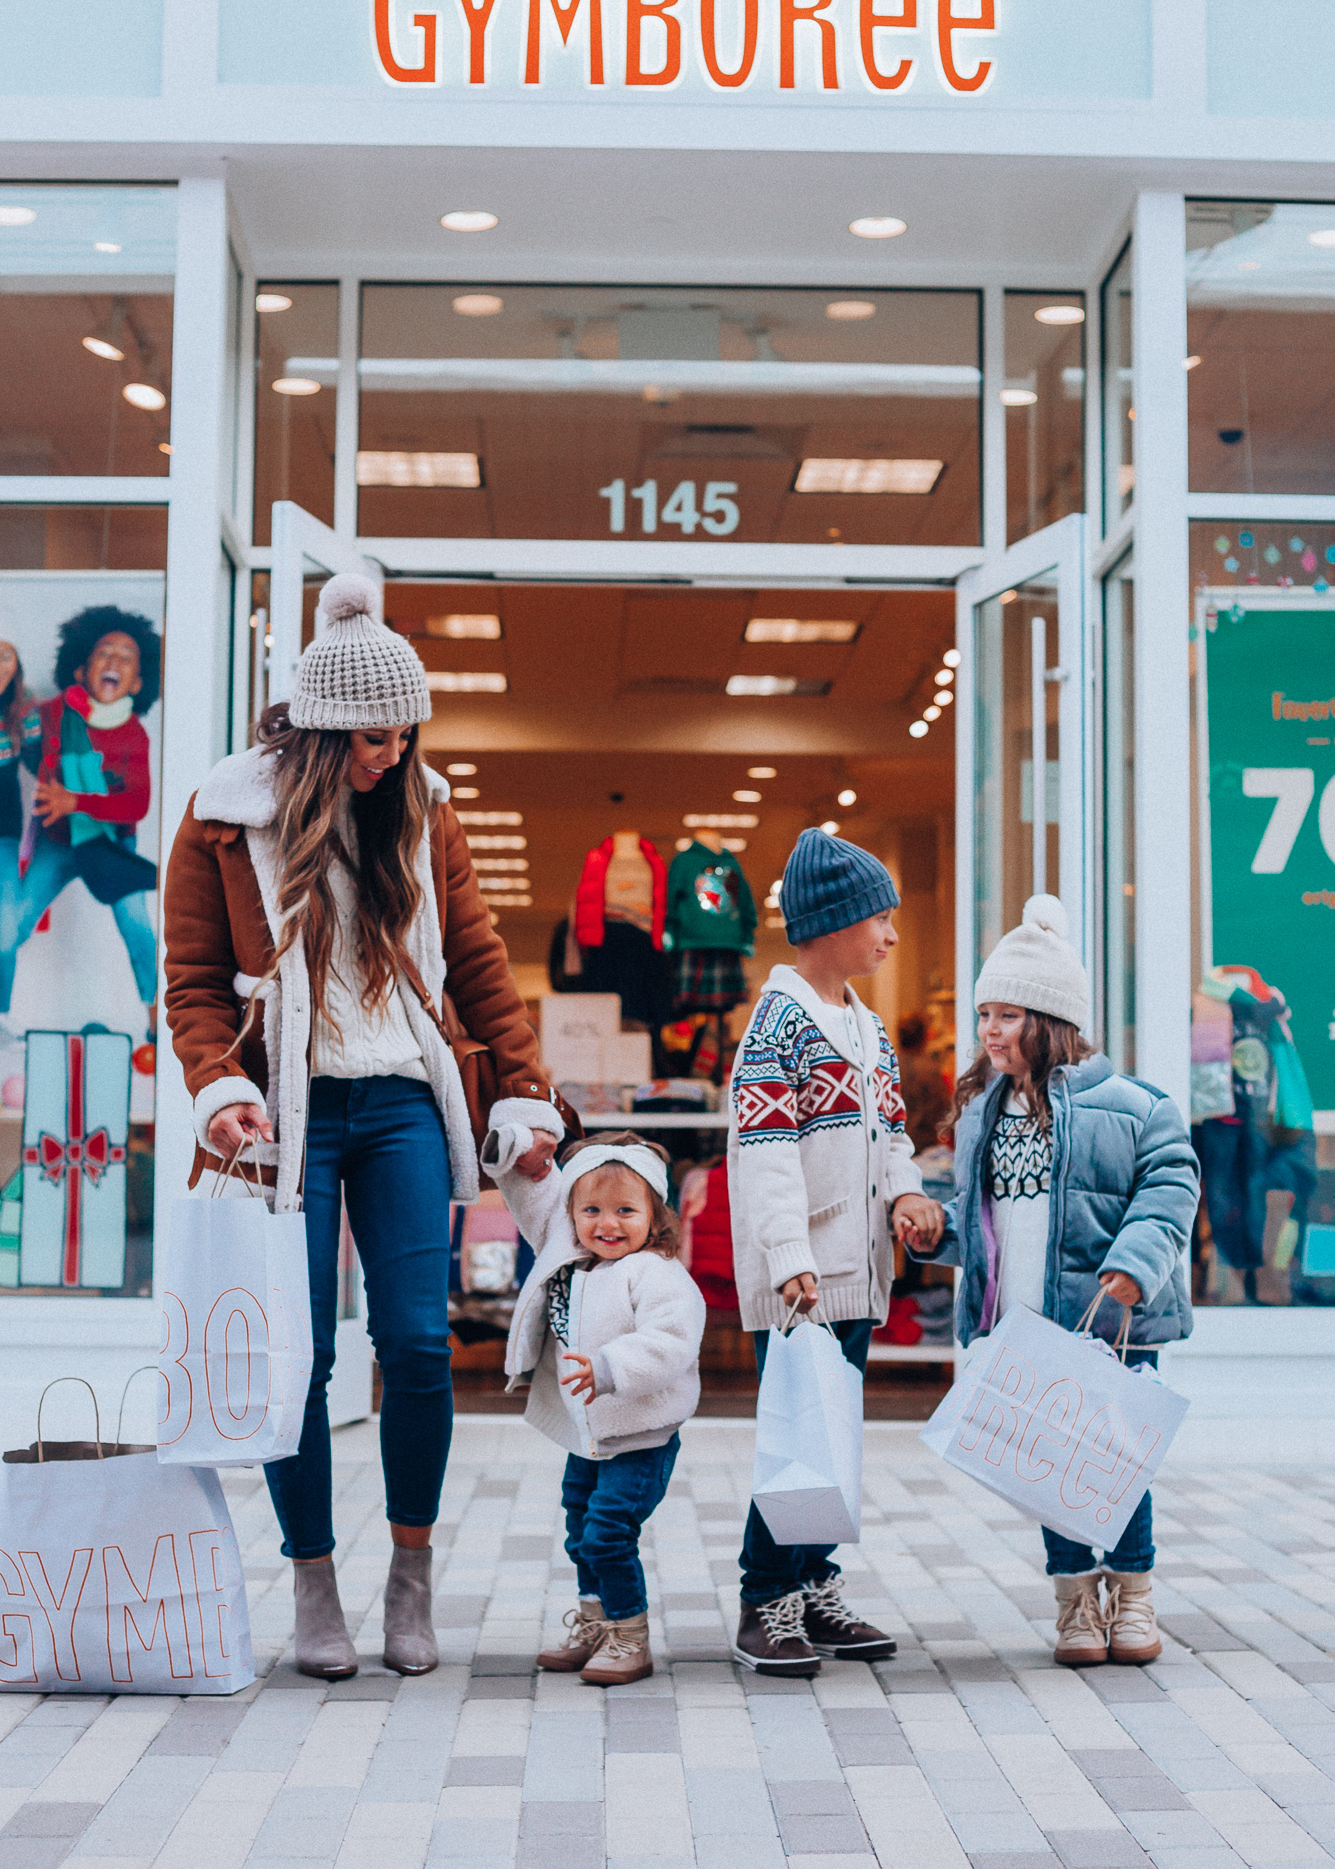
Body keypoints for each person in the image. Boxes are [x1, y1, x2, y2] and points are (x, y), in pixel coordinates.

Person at [163, 574, 569, 1682]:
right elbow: (193, 982)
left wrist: (522, 1095)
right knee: (296, 1359)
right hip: (273, 1118)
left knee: (420, 1344)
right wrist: (213, 1083)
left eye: (403, 735)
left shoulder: (423, 810)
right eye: (371, 738)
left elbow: (480, 966)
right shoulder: (221, 815)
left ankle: (410, 1574)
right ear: (317, 728)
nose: (390, 755)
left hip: (394, 1097)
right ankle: (310, 1580)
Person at [896, 894, 1199, 1669]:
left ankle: (1131, 1593)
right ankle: (1072, 1599)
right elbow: (989, 1223)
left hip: (1110, 1318)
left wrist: (1133, 1268)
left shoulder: (1134, 1108)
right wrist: (938, 1228)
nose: (988, 1031)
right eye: (983, 1014)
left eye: (1006, 1014)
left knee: (1113, 1460)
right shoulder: (979, 1117)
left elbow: (1169, 1190)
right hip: (1021, 1324)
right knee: (1048, 1467)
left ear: (1051, 1020)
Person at [726, 826, 937, 1677]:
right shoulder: (778, 1025)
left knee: (831, 1435)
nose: (889, 934)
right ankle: (762, 1600)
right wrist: (786, 1255)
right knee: (798, 1437)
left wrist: (911, 1190)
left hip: (854, 1273)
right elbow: (764, 1150)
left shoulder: (867, 1028)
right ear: (827, 923)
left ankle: (811, 1584)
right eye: (877, 919)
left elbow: (889, 1135)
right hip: (802, 1277)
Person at [484, 1127, 705, 1687]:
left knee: (608, 1532)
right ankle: (597, 1625)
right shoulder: (572, 1261)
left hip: (640, 1436)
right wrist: (517, 1153)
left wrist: (609, 1367)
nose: (607, 1224)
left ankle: (630, 1635)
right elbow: (535, 1196)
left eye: (626, 1210)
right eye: (592, 1210)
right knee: (579, 1526)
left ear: (656, 1217)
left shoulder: (657, 1274)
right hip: (587, 1435)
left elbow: (671, 1342)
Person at [8, 606, 160, 1010]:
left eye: (126, 657)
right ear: (80, 671)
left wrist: (75, 801)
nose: (114, 661)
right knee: (11, 925)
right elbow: (25, 752)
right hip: (57, 841)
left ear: (137, 682)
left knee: (137, 926)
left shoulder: (134, 736)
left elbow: (136, 804)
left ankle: (156, 1015)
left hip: (112, 845)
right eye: (104, 652)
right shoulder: (51, 714)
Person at [0, 638, 40, 1012]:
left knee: (5, 934)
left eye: (4, 656)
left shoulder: (21, 710)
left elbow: (39, 766)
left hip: (3, 837)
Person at [896, 1011, 950, 1152]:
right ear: (924, 1037)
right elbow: (945, 1108)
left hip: (895, 1145)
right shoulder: (931, 1070)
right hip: (924, 1146)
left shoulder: (887, 1067)